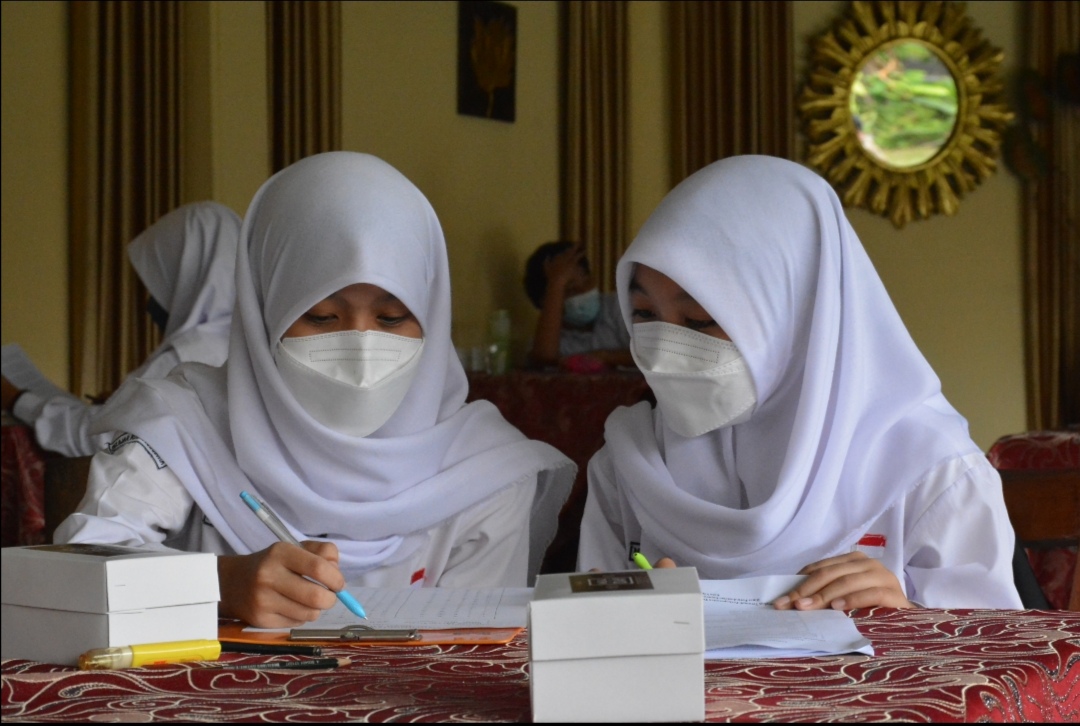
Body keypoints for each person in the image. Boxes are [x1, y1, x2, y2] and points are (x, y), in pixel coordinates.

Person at [55, 152, 575, 628]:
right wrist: (217, 585)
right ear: (263, 314)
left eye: (392, 318)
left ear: (433, 318)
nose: (360, 346)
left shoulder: (486, 473)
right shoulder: (184, 423)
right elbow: (78, 566)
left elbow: (472, 658)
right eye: (320, 316)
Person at [577, 155, 1022, 611]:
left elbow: (1001, 666)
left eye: (698, 319)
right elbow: (585, 642)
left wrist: (906, 618)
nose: (664, 350)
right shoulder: (630, 463)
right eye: (646, 316)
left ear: (799, 314)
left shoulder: (930, 469)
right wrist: (618, 616)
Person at [1, 201, 241, 457]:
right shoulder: (244, 346)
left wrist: (16, 399)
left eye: (159, 285)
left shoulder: (188, 356)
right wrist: (123, 404)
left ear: (187, 278)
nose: (149, 304)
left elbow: (98, 437)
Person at [523, 241, 632, 369]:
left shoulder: (620, 305)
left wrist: (607, 356)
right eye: (571, 289)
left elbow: (658, 355)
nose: (584, 291)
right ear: (546, 301)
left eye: (587, 282)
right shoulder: (548, 336)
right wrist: (557, 283)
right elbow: (544, 358)